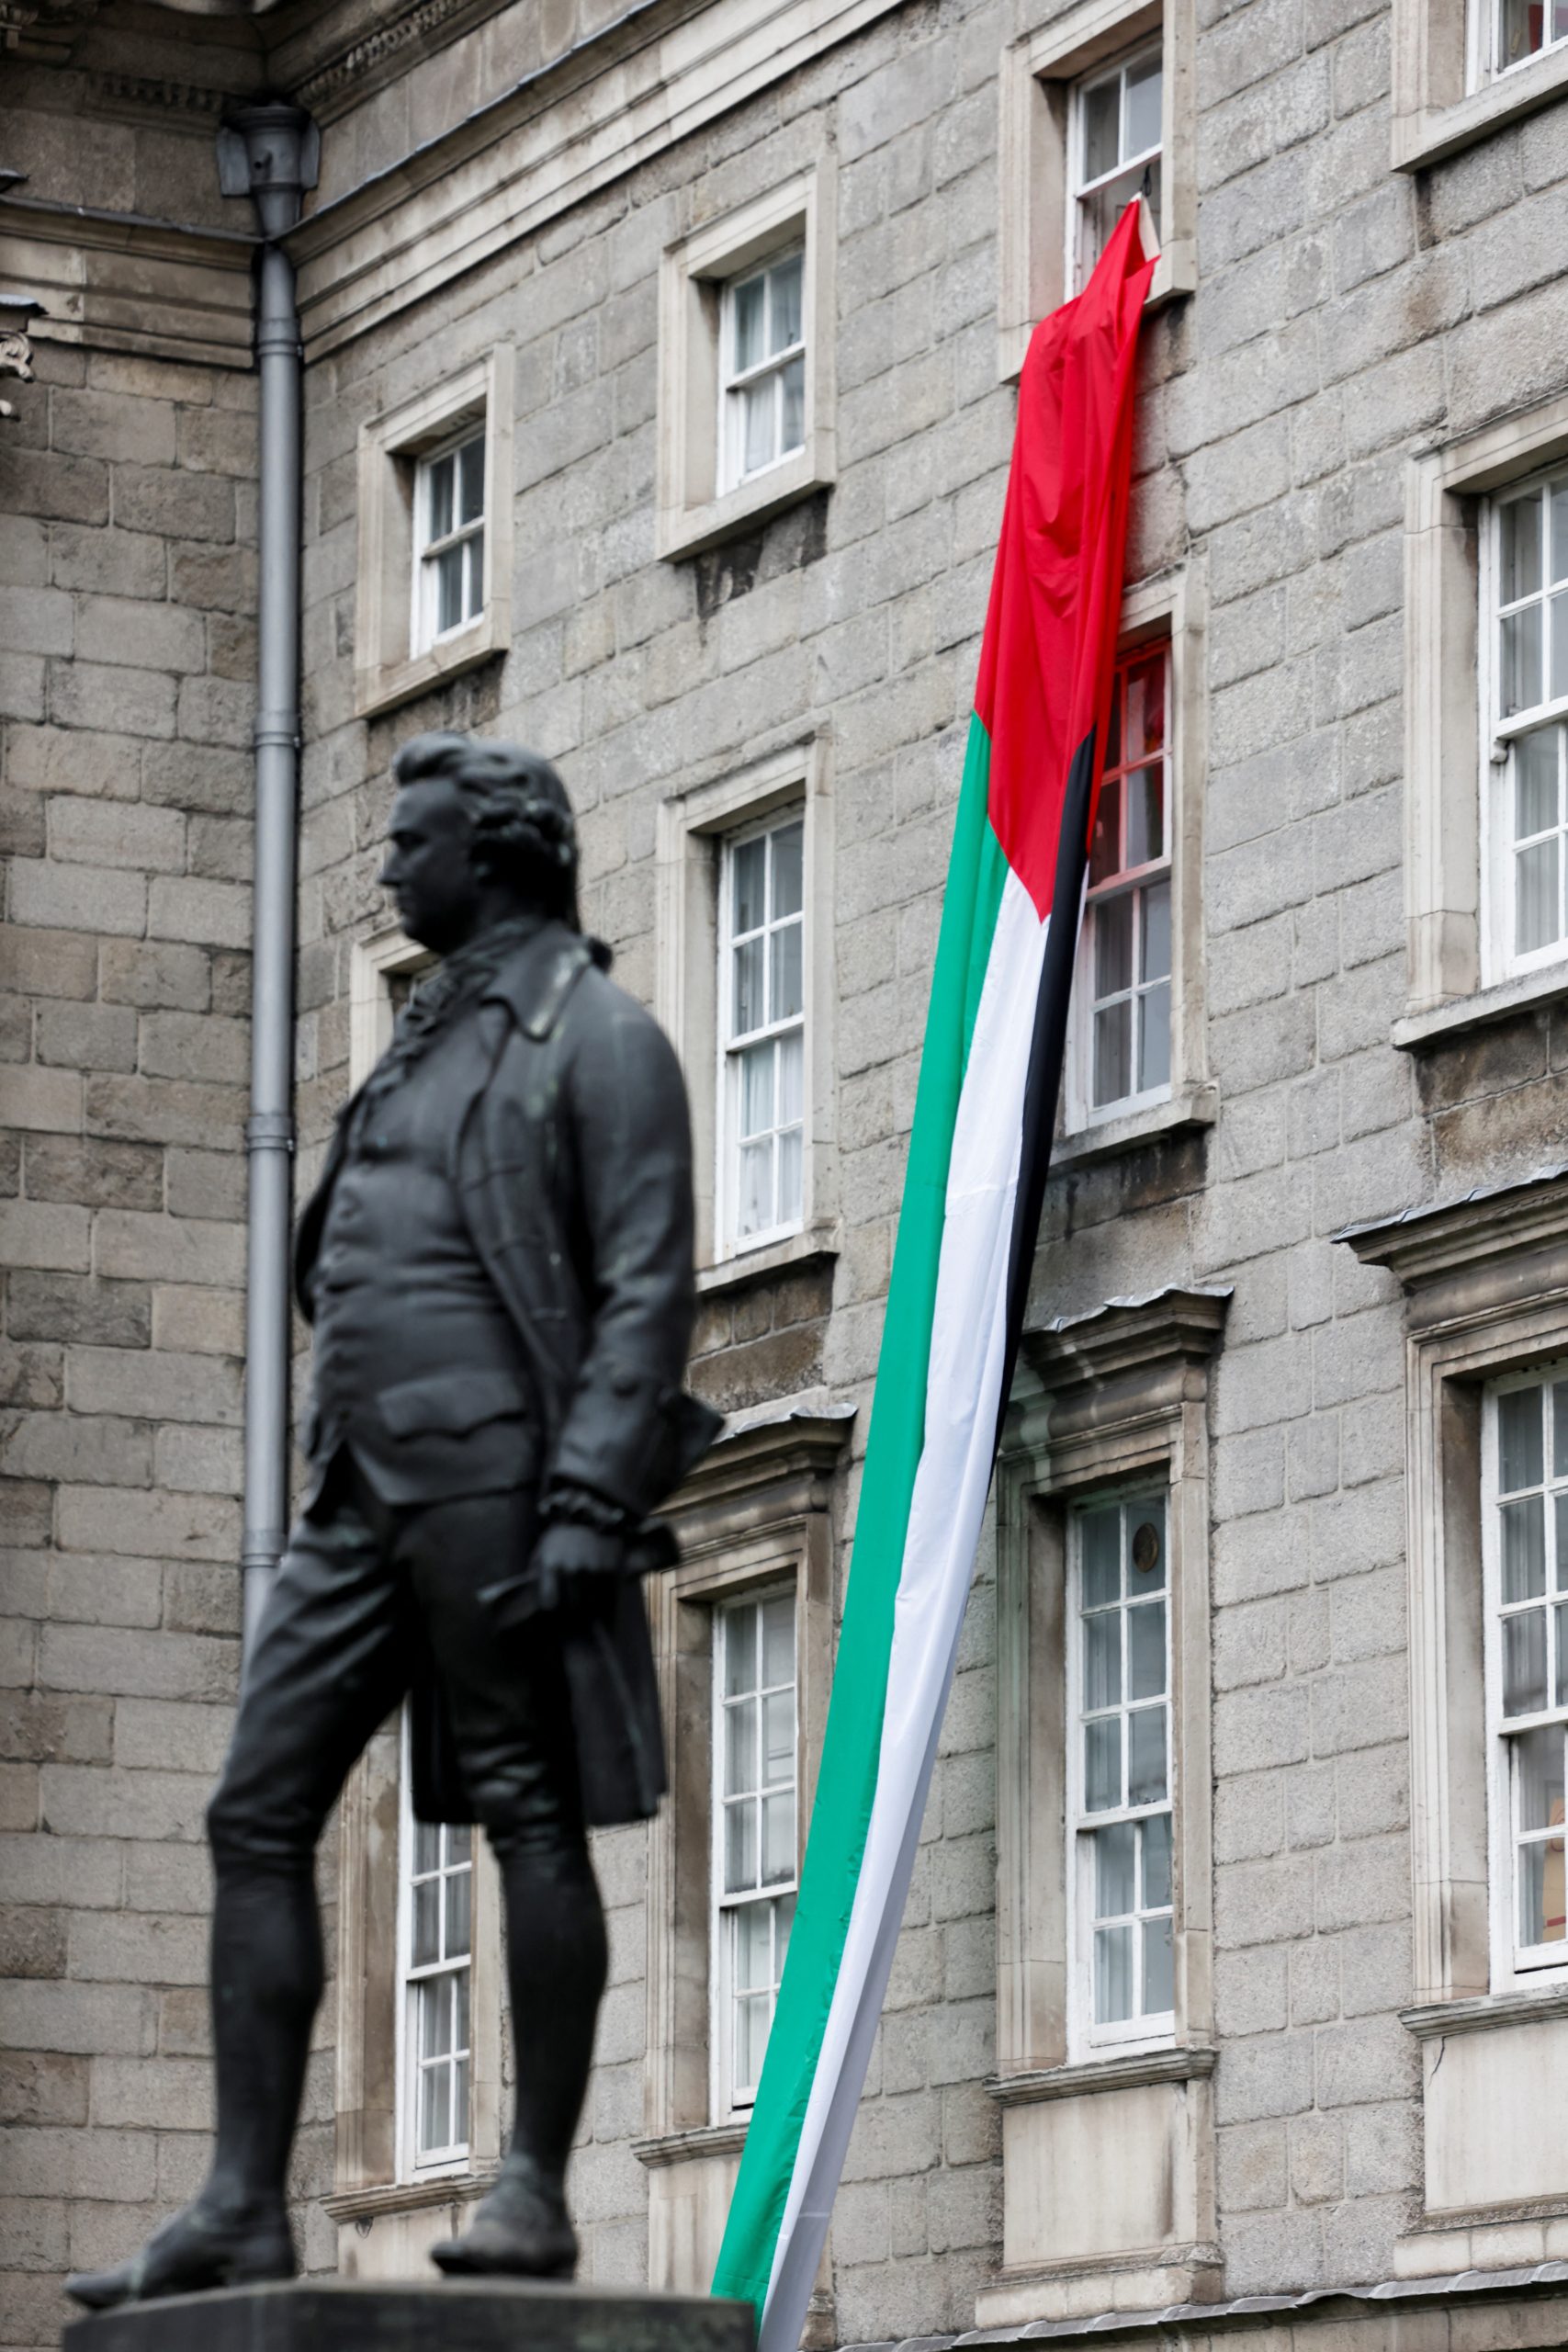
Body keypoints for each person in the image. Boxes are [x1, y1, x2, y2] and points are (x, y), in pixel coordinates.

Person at [65, 733, 719, 2310]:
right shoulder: (425, 1039)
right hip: (358, 1485)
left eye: (410, 841)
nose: (384, 867)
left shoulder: (602, 1036)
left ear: (492, 856)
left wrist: (589, 1491)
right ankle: (239, 2202)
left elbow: (647, 1284)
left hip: (504, 1483)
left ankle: (534, 2190)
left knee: (527, 1818)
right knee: (254, 1808)